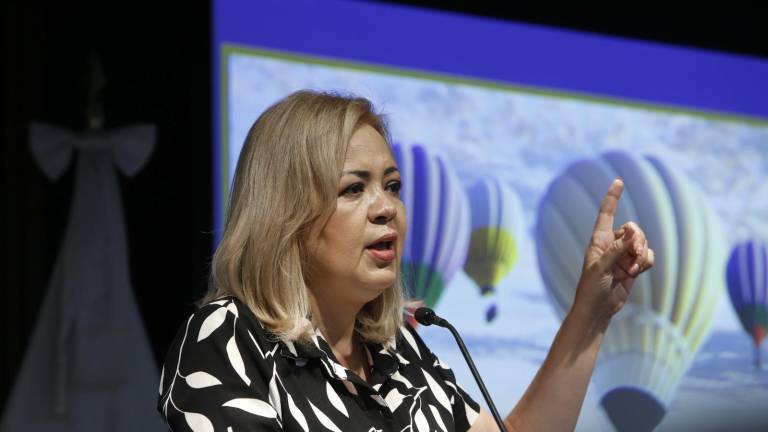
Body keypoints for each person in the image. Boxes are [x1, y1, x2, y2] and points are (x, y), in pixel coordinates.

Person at [157, 90, 654, 431]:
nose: (387, 208)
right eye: (354, 189)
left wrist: (592, 312)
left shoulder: (401, 351)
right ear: (284, 213)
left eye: (392, 186)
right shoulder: (227, 337)